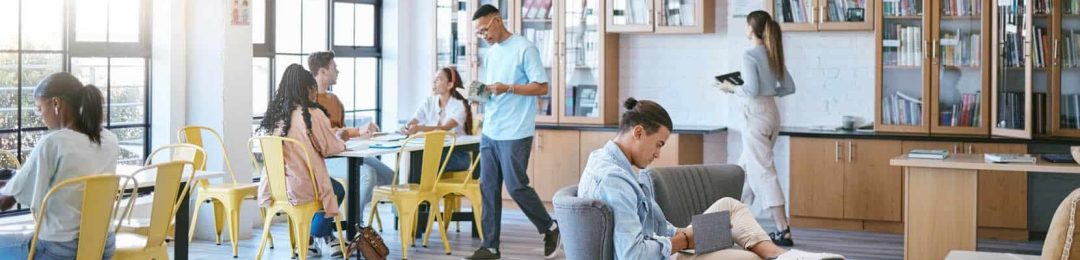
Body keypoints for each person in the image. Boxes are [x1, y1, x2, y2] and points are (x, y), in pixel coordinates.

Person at [578, 98, 842, 260]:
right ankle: (782, 257)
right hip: (665, 255)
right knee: (747, 258)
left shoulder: (611, 163)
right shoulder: (615, 180)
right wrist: (685, 241)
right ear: (637, 132)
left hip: (670, 245)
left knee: (729, 205)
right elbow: (632, 255)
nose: (658, 154)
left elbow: (656, 228)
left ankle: (780, 255)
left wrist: (685, 235)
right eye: (658, 144)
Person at [464, 4, 560, 260]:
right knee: (488, 187)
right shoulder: (491, 53)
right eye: (479, 33)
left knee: (516, 185)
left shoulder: (524, 48)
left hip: (516, 131)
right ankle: (490, 247)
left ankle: (550, 227)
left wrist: (508, 88)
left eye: (485, 29)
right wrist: (482, 95)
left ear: (497, 21)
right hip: (491, 129)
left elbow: (541, 87)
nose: (484, 35)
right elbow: (494, 89)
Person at [0, 72, 120, 260]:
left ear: (56, 103)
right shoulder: (110, 139)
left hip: (60, 252)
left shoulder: (53, 143)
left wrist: (9, 187)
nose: (40, 116)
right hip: (103, 246)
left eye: (40, 108)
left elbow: (5, 202)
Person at [715, 10, 797, 246]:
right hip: (771, 113)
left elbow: (749, 90)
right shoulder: (773, 53)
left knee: (763, 171)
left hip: (756, 116)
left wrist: (730, 88)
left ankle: (783, 229)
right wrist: (769, 93)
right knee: (746, 169)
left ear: (751, 28)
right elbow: (789, 87)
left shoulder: (750, 54)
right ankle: (728, 223)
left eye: (746, 25)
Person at [257, 64, 348, 258]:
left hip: (278, 185)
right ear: (308, 89)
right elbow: (329, 147)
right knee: (337, 189)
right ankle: (315, 236)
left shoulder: (276, 116)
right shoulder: (311, 115)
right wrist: (341, 140)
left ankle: (312, 243)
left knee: (327, 189)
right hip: (303, 186)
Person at [306, 51, 396, 230]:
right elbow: (323, 133)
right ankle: (353, 225)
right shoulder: (309, 101)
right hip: (323, 158)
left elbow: (341, 133)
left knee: (391, 177)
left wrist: (365, 133)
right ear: (323, 72)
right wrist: (354, 131)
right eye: (334, 68)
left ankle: (354, 216)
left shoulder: (335, 100)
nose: (337, 71)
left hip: (343, 152)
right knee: (366, 175)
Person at [400, 67, 474, 172]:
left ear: (450, 85)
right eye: (434, 79)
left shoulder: (459, 105)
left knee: (419, 160)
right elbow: (414, 119)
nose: (434, 82)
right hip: (435, 151)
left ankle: (418, 187)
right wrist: (407, 127)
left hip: (457, 155)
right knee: (411, 157)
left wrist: (418, 128)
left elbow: (445, 129)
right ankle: (412, 187)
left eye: (439, 79)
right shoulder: (429, 102)